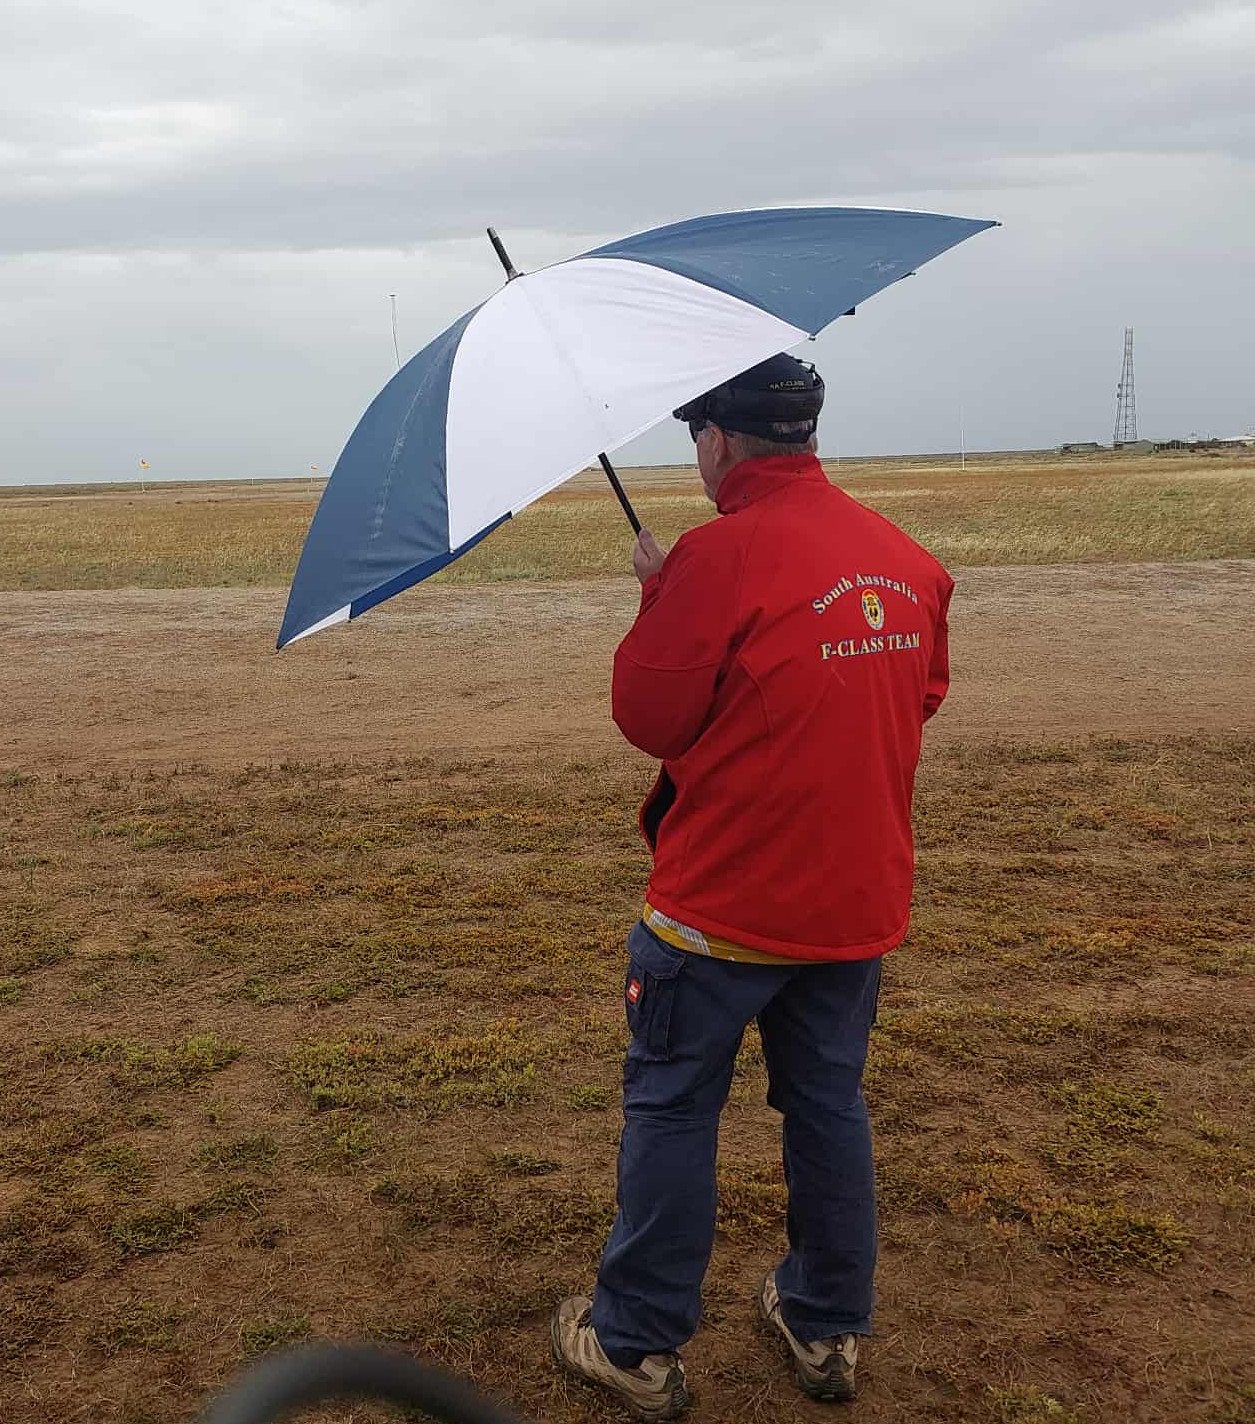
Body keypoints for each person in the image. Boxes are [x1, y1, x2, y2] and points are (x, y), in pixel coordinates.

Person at [550, 353, 954, 1419]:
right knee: (827, 1106)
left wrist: (660, 595)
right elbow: (918, 693)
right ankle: (826, 1321)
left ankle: (633, 1341)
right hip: (853, 907)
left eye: (696, 438)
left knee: (672, 1109)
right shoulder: (905, 560)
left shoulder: (713, 557)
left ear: (719, 440)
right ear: (805, 433)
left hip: (718, 912)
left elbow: (650, 717)